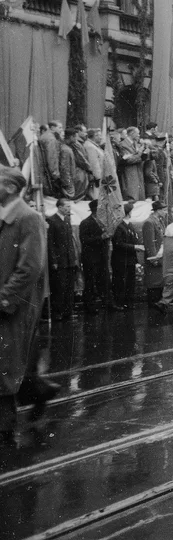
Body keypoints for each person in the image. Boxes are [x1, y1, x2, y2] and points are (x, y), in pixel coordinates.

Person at [0, 167, 53, 443]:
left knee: (5, 366)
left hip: (13, 307)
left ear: (9, 188)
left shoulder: (27, 218)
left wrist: (4, 298)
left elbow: (30, 268)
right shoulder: (5, 217)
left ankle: (6, 433)